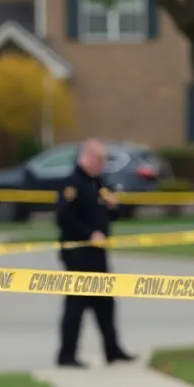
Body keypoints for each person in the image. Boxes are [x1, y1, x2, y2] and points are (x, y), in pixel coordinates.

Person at [54, 138, 137, 368]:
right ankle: (66, 355)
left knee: (105, 304)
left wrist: (114, 207)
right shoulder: (73, 183)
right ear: (87, 157)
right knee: (76, 305)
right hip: (78, 253)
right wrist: (88, 234)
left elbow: (110, 215)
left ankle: (113, 350)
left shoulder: (99, 183)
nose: (102, 164)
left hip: (98, 254)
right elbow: (63, 217)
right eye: (99, 159)